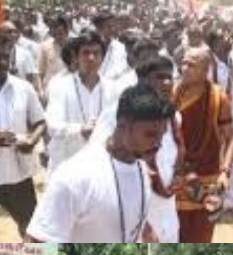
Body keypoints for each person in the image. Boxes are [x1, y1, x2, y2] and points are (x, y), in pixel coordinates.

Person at [27, 84, 172, 242]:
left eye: (162, 135)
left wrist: (147, 232)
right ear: (122, 125)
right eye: (150, 134)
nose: (158, 144)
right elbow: (36, 244)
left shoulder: (140, 165)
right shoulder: (74, 177)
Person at [171, 47, 233, 242]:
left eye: (191, 65)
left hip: (209, 179)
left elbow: (231, 139)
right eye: (183, 63)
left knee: (202, 235)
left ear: (205, 69)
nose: (184, 68)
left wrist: (225, 172)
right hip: (179, 177)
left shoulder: (219, 97)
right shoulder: (173, 93)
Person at [45, 32, 118, 174]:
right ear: (76, 57)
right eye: (86, 53)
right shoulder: (60, 86)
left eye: (96, 53)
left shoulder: (113, 89)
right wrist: (80, 130)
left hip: (101, 165)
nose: (91, 58)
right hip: (66, 164)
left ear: (103, 57)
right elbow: (52, 125)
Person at [0, 28, 47, 237]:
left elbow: (40, 121)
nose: (3, 58)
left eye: (6, 54)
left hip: (18, 175)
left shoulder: (24, 88)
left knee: (32, 233)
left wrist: (32, 141)